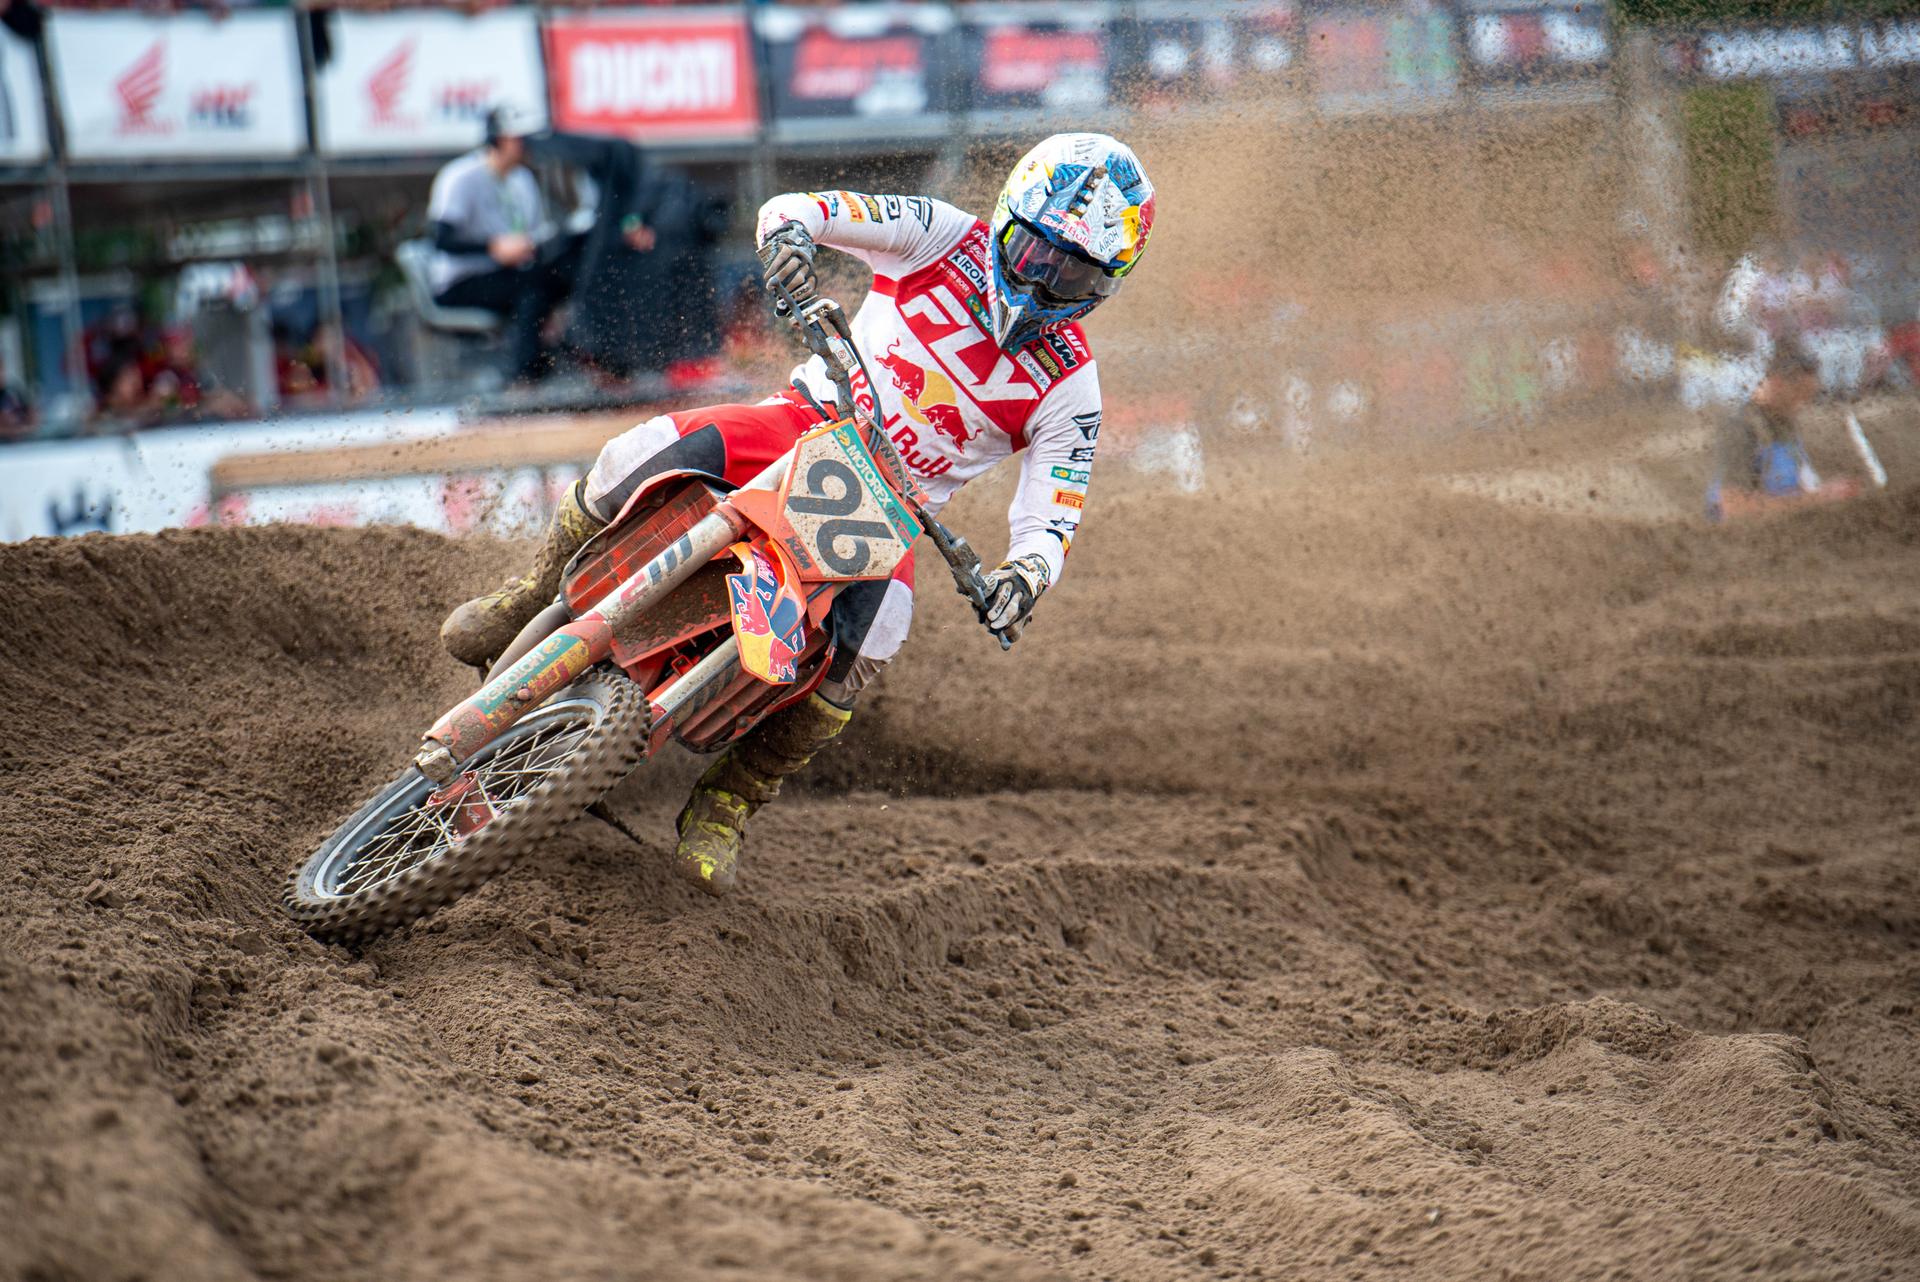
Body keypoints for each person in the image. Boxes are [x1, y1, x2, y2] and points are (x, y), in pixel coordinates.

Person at [440, 132, 1156, 896]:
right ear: (1010, 216)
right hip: (805, 417)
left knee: (870, 647)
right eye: (1037, 253)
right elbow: (801, 208)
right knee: (633, 454)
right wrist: (788, 241)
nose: (1045, 280)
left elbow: (1052, 513)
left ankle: (727, 802)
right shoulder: (944, 235)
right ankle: (533, 589)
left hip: (897, 509)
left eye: (1072, 273)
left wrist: (1025, 575)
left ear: (1105, 283)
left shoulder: (1072, 384)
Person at [426, 104, 578, 385]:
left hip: (512, 274)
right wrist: (493, 248)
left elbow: (531, 234)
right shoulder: (461, 177)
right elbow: (441, 239)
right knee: (532, 290)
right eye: (524, 139)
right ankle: (524, 379)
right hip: (462, 280)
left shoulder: (522, 179)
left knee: (560, 277)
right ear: (504, 139)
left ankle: (566, 362)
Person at [1706, 339, 1821, 522]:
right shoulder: (1741, 427)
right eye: (1799, 394)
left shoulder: (1783, 421)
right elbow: (1734, 507)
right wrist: (1819, 499)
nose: (1803, 405)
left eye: (1808, 397)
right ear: (1777, 383)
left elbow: (1803, 482)